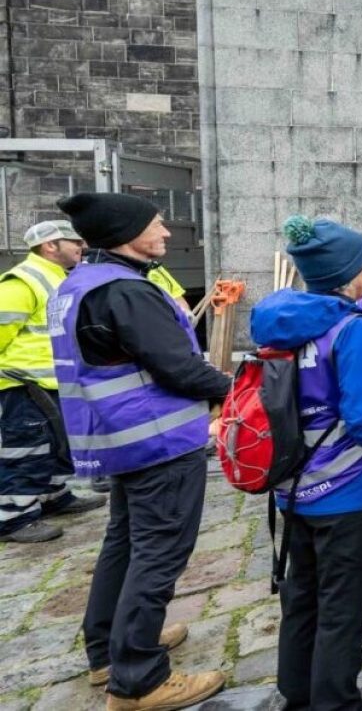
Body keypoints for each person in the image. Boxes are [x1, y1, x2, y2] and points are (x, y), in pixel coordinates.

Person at [55, 192, 234, 710]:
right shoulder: (126, 292)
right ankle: (138, 680)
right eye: (157, 224)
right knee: (159, 552)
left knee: (126, 543)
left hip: (117, 437)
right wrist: (237, 387)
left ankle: (108, 650)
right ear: (126, 233)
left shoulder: (81, 283)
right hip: (157, 438)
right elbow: (177, 367)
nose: (166, 233)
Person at [253, 216, 362, 710]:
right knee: (343, 607)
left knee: (301, 596)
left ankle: (296, 692)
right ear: (345, 276)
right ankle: (337, 701)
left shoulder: (276, 324)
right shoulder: (352, 329)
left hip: (293, 483)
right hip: (348, 487)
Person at [0, 221, 105, 545]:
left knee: (58, 446)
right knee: (25, 449)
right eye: (74, 241)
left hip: (53, 382)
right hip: (22, 384)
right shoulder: (21, 282)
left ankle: (53, 495)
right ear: (50, 246)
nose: (82, 246)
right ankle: (13, 517)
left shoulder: (60, 277)